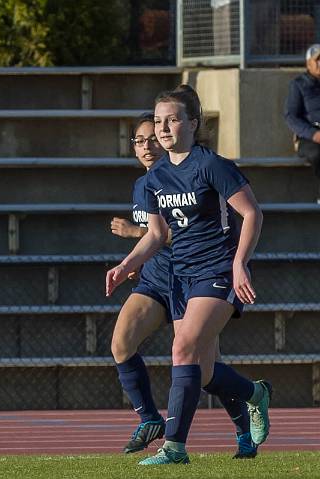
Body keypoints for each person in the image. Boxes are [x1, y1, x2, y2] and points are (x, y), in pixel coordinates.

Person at [106, 85, 272, 465]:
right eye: (159, 120)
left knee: (182, 350)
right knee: (205, 370)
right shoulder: (155, 177)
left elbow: (252, 214)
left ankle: (174, 448)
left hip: (216, 270)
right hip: (180, 275)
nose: (163, 128)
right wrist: (126, 266)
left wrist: (239, 263)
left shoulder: (211, 165)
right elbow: (157, 235)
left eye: (172, 119)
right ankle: (255, 395)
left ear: (193, 123)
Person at [284, 44, 320, 203]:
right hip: (309, 138)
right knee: (318, 153)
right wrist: (314, 134)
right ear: (308, 64)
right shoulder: (299, 85)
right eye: (318, 60)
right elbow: (291, 117)